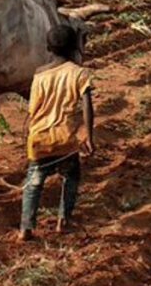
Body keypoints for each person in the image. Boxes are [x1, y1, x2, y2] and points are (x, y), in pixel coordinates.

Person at [19, 24, 95, 241]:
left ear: (48, 48)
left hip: (39, 138)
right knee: (71, 177)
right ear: (74, 48)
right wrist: (88, 135)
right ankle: (64, 221)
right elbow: (88, 104)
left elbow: (32, 108)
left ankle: (26, 228)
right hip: (65, 140)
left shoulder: (39, 75)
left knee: (33, 183)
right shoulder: (79, 73)